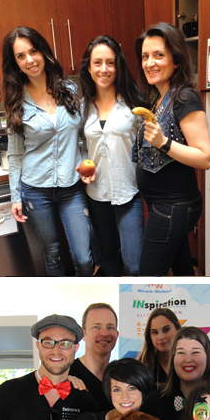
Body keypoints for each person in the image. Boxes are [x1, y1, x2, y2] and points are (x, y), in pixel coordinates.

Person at [2, 27, 93, 276]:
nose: (30, 60)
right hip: (35, 190)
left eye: (33, 51)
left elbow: (83, 138)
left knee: (83, 258)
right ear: (15, 63)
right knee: (52, 254)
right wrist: (15, 196)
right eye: (21, 56)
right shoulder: (15, 100)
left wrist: (87, 164)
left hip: (71, 187)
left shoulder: (69, 90)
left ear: (43, 51)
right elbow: (16, 154)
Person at [134, 22, 210, 276]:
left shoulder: (183, 98)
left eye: (158, 55)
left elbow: (205, 157)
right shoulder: (159, 98)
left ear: (175, 60)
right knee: (182, 271)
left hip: (173, 208)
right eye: (145, 56)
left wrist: (164, 143)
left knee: (147, 277)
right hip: (165, 206)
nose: (150, 63)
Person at [78, 35, 146, 276]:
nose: (104, 69)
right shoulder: (82, 106)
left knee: (135, 263)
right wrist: (81, 166)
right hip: (97, 193)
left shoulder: (134, 103)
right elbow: (80, 145)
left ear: (119, 66)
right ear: (88, 67)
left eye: (110, 62)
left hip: (129, 192)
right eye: (98, 63)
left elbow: (147, 144)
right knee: (108, 257)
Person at [141, 327, 210, 420]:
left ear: (208, 357)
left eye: (195, 352)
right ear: (172, 358)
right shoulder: (153, 402)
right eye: (181, 352)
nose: (188, 359)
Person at [70, 302, 119, 410]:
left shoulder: (121, 378)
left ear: (117, 334)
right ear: (84, 334)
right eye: (96, 327)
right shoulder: (67, 375)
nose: (104, 333)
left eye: (110, 327)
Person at [137, 307, 182, 386]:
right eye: (154, 332)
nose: (161, 337)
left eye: (166, 329)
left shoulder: (189, 361)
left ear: (177, 329)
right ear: (149, 336)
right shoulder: (141, 369)